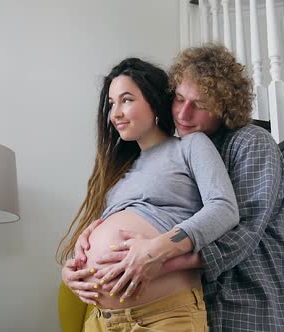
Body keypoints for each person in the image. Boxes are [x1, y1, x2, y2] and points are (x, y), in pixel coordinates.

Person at [66, 45, 284, 331]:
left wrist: (158, 259)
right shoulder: (175, 153)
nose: (183, 114)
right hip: (200, 302)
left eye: (200, 105)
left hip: (250, 297)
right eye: (179, 99)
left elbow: (243, 232)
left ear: (225, 107)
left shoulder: (249, 143)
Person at [58, 57, 240, 331]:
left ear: (154, 102)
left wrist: (157, 248)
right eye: (111, 103)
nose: (115, 113)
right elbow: (98, 230)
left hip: (163, 316)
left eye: (127, 99)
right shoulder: (120, 170)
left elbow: (224, 208)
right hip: (101, 321)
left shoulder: (190, 147)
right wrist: (72, 267)